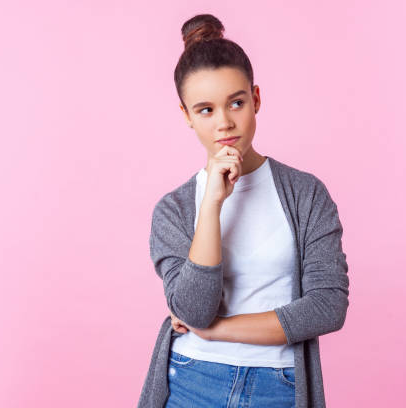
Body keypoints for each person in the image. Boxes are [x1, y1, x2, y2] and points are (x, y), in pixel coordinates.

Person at [137, 13, 350, 408]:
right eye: (205, 110)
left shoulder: (306, 195)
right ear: (186, 115)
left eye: (236, 103)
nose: (224, 123)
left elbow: (327, 307)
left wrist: (218, 330)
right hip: (190, 381)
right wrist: (213, 203)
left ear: (256, 98)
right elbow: (194, 309)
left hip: (279, 387)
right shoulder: (173, 210)